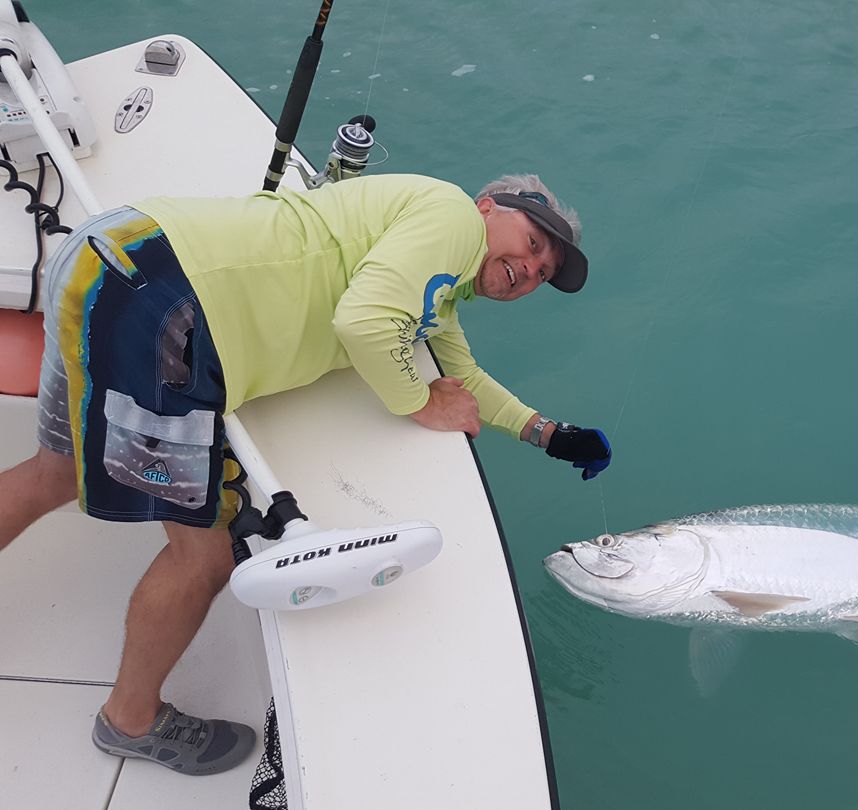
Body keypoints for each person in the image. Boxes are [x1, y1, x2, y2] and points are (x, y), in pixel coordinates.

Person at [0, 172, 612, 775]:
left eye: (544, 273)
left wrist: (547, 433)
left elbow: (461, 372)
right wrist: (421, 403)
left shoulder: (440, 286)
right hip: (169, 311)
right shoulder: (452, 218)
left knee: (56, 473)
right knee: (204, 558)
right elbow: (365, 321)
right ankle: (129, 721)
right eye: (534, 243)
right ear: (488, 207)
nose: (531, 269)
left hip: (112, 257)